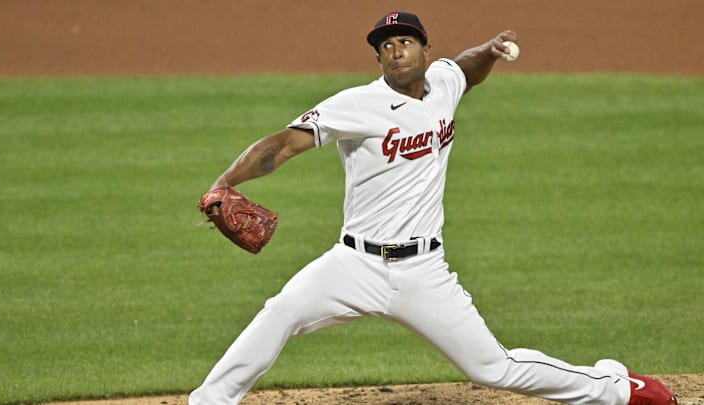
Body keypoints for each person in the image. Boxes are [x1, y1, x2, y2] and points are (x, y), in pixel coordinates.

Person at [189, 11, 677, 405]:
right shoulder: (356, 104)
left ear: (425, 49)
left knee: (492, 367)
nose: (394, 51)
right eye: (385, 46)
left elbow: (464, 69)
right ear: (378, 58)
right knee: (281, 312)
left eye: (404, 42)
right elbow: (283, 145)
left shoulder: (442, 82)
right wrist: (225, 182)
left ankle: (614, 386)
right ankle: (209, 400)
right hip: (352, 264)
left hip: (424, 271)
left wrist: (488, 50)